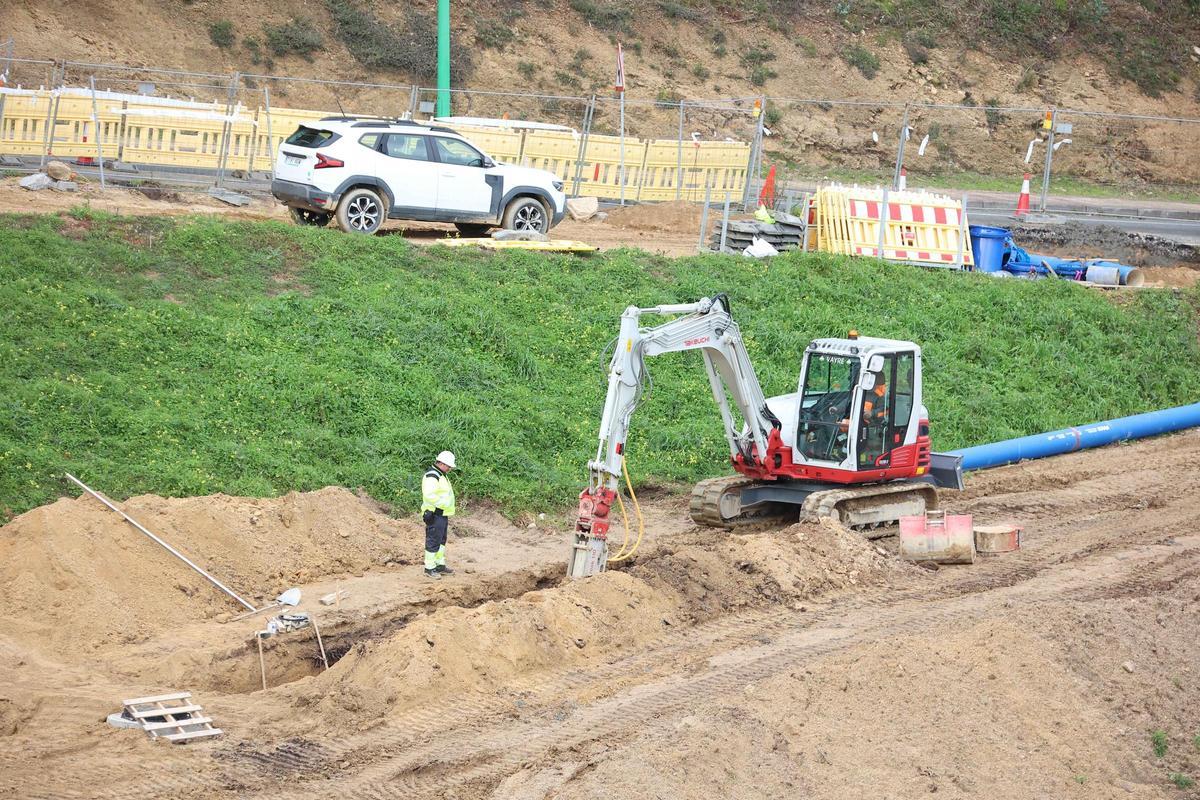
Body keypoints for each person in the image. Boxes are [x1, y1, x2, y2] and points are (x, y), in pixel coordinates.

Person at [421, 450, 457, 580]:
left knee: (441, 540)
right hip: (435, 514)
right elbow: (430, 495)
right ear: (441, 463)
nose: (450, 469)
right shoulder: (433, 476)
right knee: (433, 541)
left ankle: (439, 564)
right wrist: (443, 505)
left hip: (442, 514)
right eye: (448, 466)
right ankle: (429, 568)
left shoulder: (440, 474)